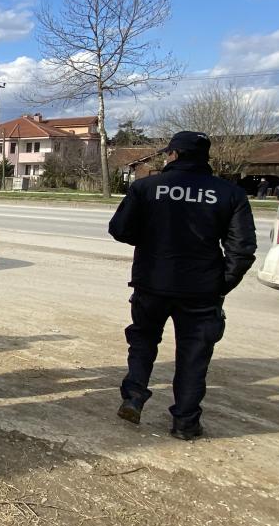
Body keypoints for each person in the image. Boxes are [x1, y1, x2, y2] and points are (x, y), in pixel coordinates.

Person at [108, 131, 257, 440]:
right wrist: (222, 284)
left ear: (173, 154)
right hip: (202, 289)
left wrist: (151, 239)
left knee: (143, 341)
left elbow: (120, 229)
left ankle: (133, 398)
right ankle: (185, 423)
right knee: (194, 356)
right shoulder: (229, 193)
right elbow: (242, 249)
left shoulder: (146, 187)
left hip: (152, 282)